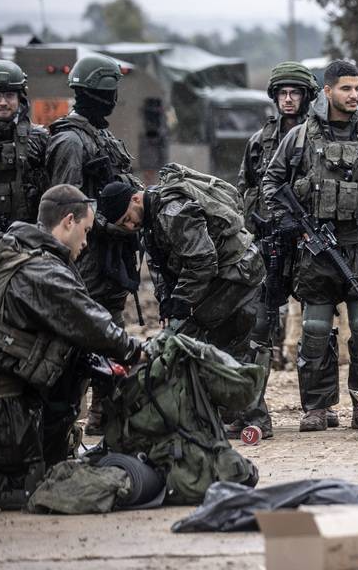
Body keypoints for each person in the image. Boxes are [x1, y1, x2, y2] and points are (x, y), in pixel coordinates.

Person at [261, 59, 358, 432]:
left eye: (357, 88)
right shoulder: (301, 137)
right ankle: (318, 406)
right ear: (327, 91)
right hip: (316, 252)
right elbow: (271, 186)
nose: (354, 95)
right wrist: (292, 225)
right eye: (346, 88)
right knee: (315, 328)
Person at [0, 185, 143, 509]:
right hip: (1, 407)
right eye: (85, 231)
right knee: (32, 492)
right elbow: (91, 322)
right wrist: (136, 351)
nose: (86, 242)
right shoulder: (43, 271)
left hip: (2, 395)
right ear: (68, 221)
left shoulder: (3, 249)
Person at [96, 168, 268, 435]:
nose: (130, 226)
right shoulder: (150, 220)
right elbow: (161, 266)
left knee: (200, 337)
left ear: (135, 200)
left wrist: (183, 301)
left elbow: (201, 261)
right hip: (224, 274)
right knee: (213, 340)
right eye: (124, 225)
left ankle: (250, 419)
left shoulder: (171, 212)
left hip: (237, 272)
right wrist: (167, 300)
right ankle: (237, 415)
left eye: (128, 219)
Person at [45, 54, 143, 434]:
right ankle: (68, 419)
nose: (110, 99)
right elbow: (65, 201)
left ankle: (103, 415)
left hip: (109, 259)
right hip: (85, 258)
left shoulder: (102, 136)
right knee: (77, 338)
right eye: (107, 92)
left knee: (110, 334)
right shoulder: (71, 141)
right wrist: (109, 225)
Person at [236, 61, 323, 418]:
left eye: (295, 93)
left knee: (317, 325)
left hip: (306, 241)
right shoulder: (259, 141)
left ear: (306, 97)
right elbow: (246, 187)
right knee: (260, 324)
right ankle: (253, 406)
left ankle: (318, 406)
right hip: (268, 241)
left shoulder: (318, 137)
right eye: (283, 93)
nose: (288, 100)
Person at [0, 59, 48, 236]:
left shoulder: (39, 139)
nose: (3, 102)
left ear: (20, 97)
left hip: (28, 238)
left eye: (9, 95)